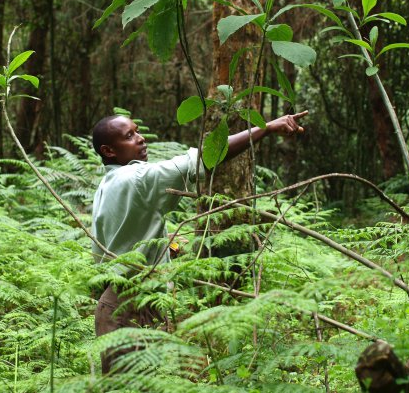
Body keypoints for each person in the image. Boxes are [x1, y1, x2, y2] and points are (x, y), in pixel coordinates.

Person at [91, 111, 307, 372]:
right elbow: (206, 157)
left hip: (120, 301)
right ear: (109, 150)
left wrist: (166, 243)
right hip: (128, 308)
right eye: (130, 136)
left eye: (137, 131)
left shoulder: (107, 183)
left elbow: (115, 240)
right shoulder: (138, 177)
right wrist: (267, 128)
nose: (141, 138)